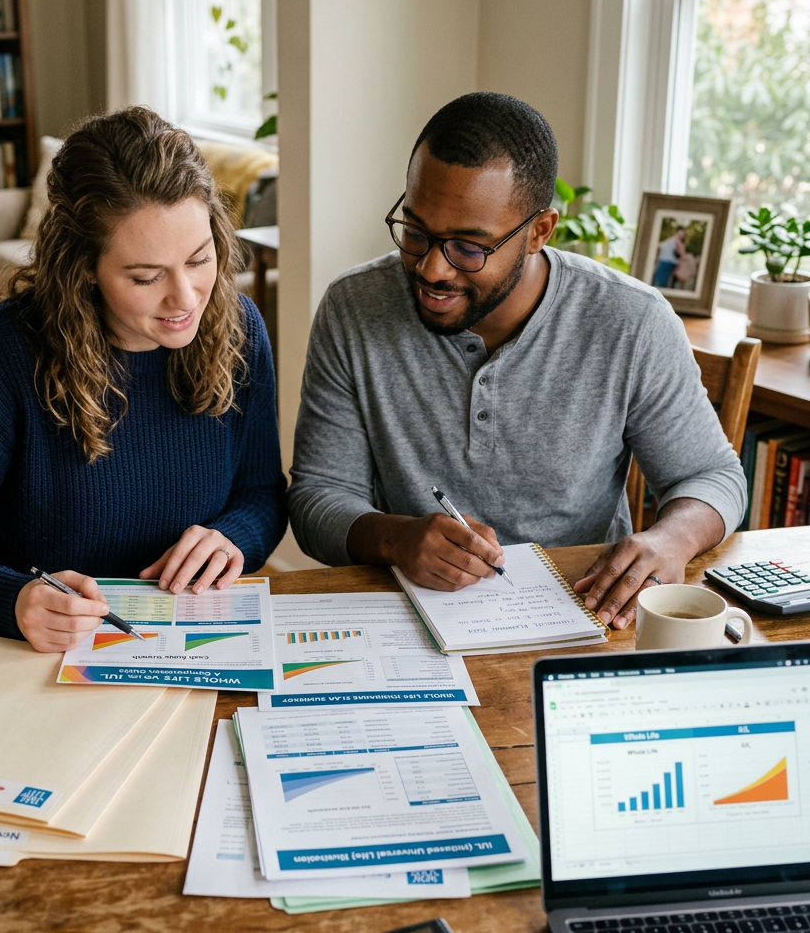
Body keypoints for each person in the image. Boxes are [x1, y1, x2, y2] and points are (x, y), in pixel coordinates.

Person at [288, 92, 746, 631]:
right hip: (410, 621)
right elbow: (316, 497)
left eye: (468, 246)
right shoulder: (355, 307)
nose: (432, 268)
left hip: (586, 615)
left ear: (538, 231)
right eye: (416, 232)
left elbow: (713, 476)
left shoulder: (632, 321)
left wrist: (672, 539)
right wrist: (396, 537)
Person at [0, 108, 287, 652]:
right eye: (145, 277)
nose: (186, 299)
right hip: (36, 657)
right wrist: (14, 600)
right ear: (83, 268)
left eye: (199, 260)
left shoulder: (239, 327)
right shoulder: (5, 350)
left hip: (192, 645)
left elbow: (261, 494)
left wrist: (234, 536)